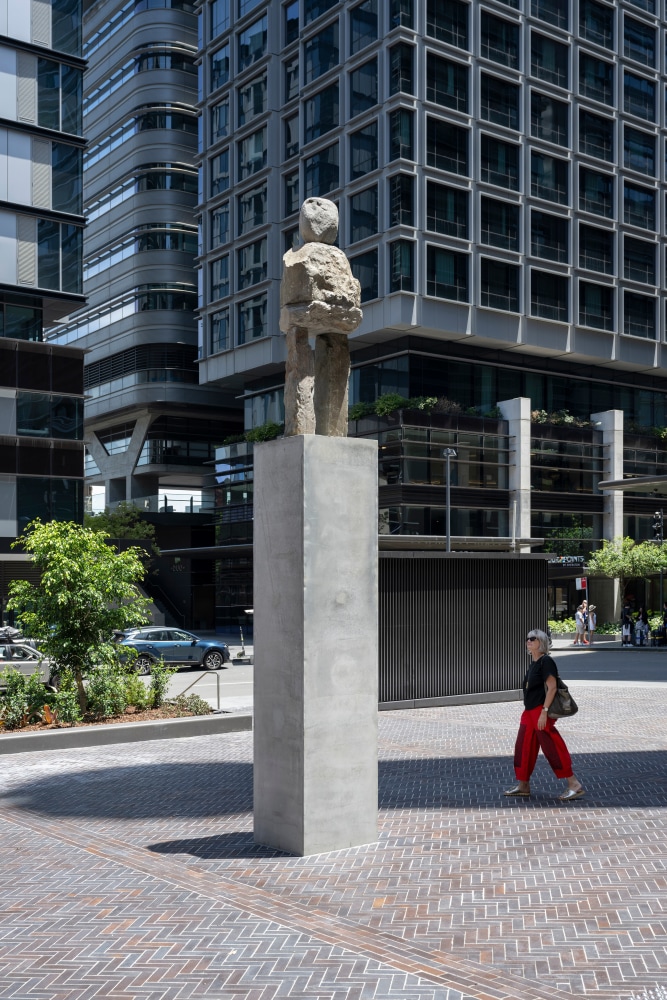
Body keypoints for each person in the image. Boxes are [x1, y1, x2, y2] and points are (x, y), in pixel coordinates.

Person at [504, 629, 585, 801]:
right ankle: (523, 785)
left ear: (541, 642)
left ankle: (574, 784)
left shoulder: (546, 661)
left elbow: (552, 687)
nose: (528, 641)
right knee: (523, 746)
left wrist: (544, 712)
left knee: (551, 746)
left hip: (540, 710)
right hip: (529, 712)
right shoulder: (534, 662)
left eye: (532, 639)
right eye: (527, 639)